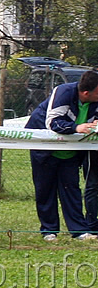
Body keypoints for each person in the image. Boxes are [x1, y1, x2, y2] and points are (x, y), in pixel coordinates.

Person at [25, 70, 98, 240]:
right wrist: (76, 128)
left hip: (71, 152)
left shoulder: (95, 102)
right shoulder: (63, 92)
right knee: (45, 189)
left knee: (71, 189)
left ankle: (79, 231)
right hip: (44, 148)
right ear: (86, 93)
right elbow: (52, 122)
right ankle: (49, 231)